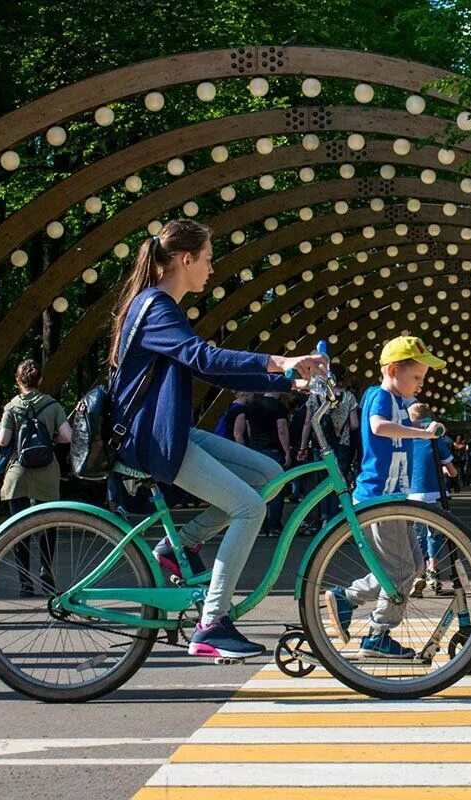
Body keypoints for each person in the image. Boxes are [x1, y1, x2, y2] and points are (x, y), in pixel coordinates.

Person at [110, 219, 325, 660]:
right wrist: (279, 359)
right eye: (207, 258)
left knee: (269, 472)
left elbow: (207, 368)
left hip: (169, 432)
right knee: (249, 508)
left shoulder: (160, 306)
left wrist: (289, 383)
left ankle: (177, 544)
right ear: (185, 259)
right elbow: (202, 356)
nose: (211, 268)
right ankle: (212, 623)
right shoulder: (155, 306)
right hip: (153, 440)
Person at [318, 336, 446, 657]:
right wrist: (419, 432)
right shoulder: (379, 396)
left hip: (395, 500)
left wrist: (416, 418)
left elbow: (402, 418)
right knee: (400, 571)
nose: (420, 383)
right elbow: (378, 427)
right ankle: (378, 634)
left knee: (414, 565)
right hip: (378, 500)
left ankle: (347, 599)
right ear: (392, 370)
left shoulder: (399, 402)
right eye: (416, 377)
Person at [0, 359, 73, 596]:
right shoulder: (52, 405)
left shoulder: (11, 407)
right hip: (47, 472)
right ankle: (47, 578)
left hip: (19, 474)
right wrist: (51, 438)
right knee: (48, 527)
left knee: (20, 528)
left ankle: (25, 583)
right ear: (39, 380)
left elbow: (3, 441)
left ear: (18, 381)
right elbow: (68, 436)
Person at [408, 402, 457, 597]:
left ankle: (418, 574)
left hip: (413, 497)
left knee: (418, 536)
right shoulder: (437, 441)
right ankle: (433, 572)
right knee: (434, 536)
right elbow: (452, 472)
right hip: (435, 496)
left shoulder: (408, 442)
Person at [297, 379, 359, 534]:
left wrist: (303, 447)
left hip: (321, 445)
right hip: (342, 444)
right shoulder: (348, 397)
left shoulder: (315, 396)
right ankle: (334, 520)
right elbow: (354, 424)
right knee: (339, 482)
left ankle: (323, 519)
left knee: (323, 483)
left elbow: (307, 423)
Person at [235, 392, 290, 536]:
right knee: (277, 489)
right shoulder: (279, 406)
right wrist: (287, 452)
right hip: (273, 450)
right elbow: (282, 429)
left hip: (255, 451)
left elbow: (248, 429)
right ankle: (275, 525)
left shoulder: (252, 405)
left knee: (259, 489)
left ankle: (260, 525)